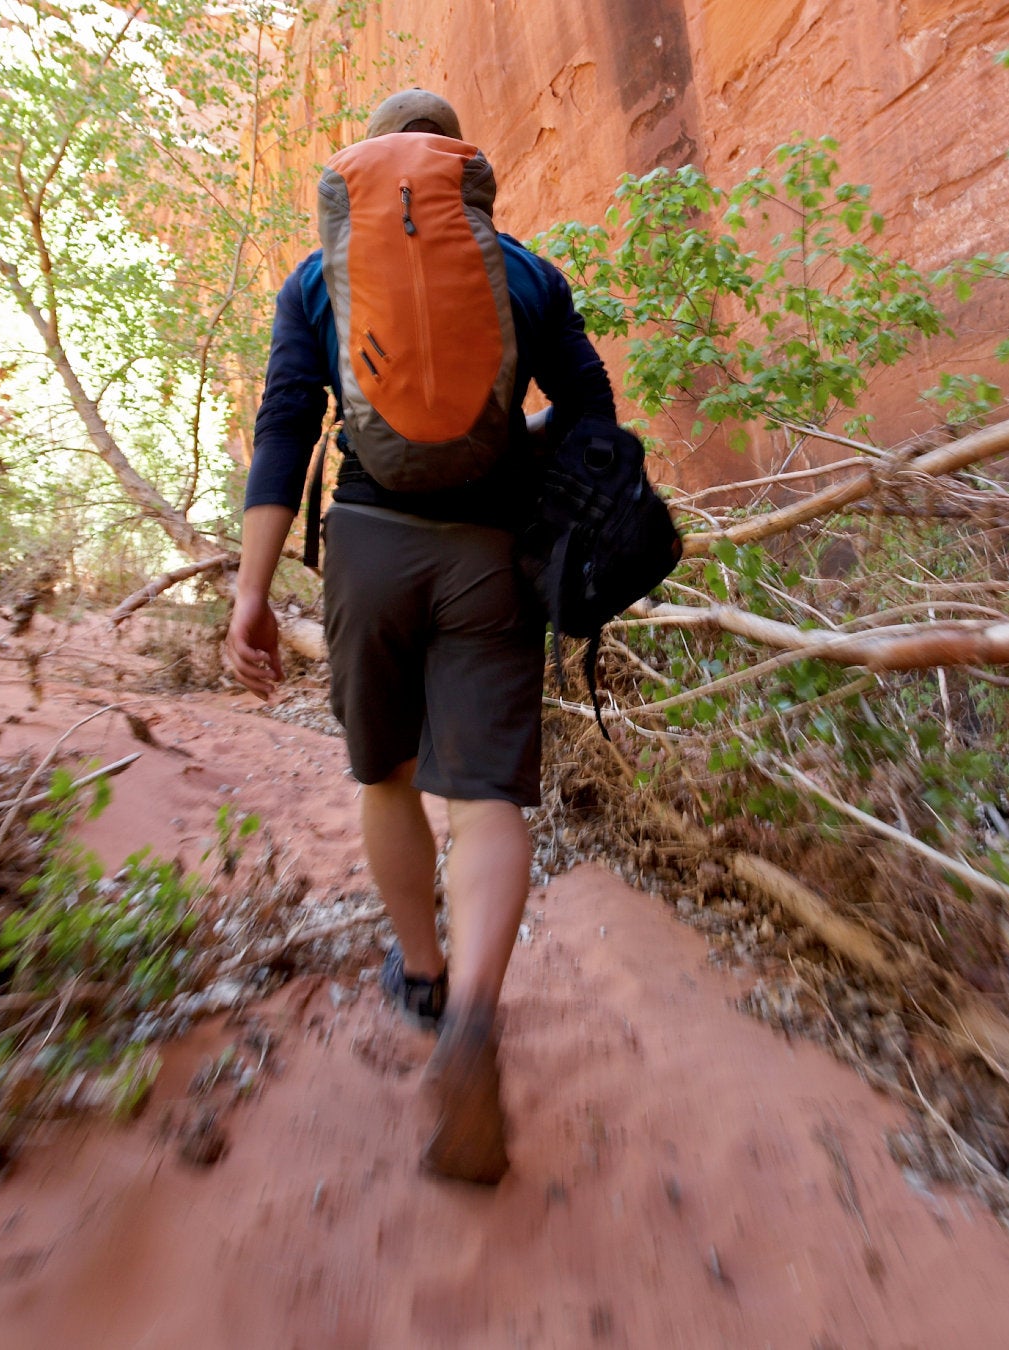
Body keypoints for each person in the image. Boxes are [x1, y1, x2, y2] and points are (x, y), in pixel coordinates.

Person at [224, 88, 618, 1184]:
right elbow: (593, 411)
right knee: (489, 795)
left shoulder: (321, 276)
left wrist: (250, 592)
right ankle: (480, 1013)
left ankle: (425, 975)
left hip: (368, 546)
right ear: (464, 167)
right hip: (490, 554)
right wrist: (535, 455)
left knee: (388, 776)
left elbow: (284, 430)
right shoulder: (523, 272)